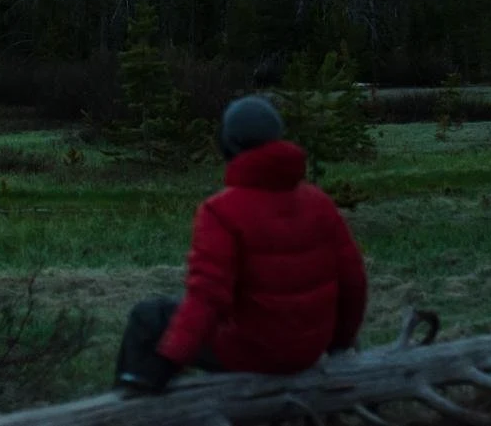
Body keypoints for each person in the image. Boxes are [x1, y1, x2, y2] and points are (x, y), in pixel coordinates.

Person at [116, 94, 367, 392]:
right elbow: (354, 282)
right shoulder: (319, 202)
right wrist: (339, 343)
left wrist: (167, 363)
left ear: (227, 145)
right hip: (309, 348)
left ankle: (132, 399)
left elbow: (208, 297)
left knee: (148, 316)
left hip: (253, 351)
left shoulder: (221, 211)